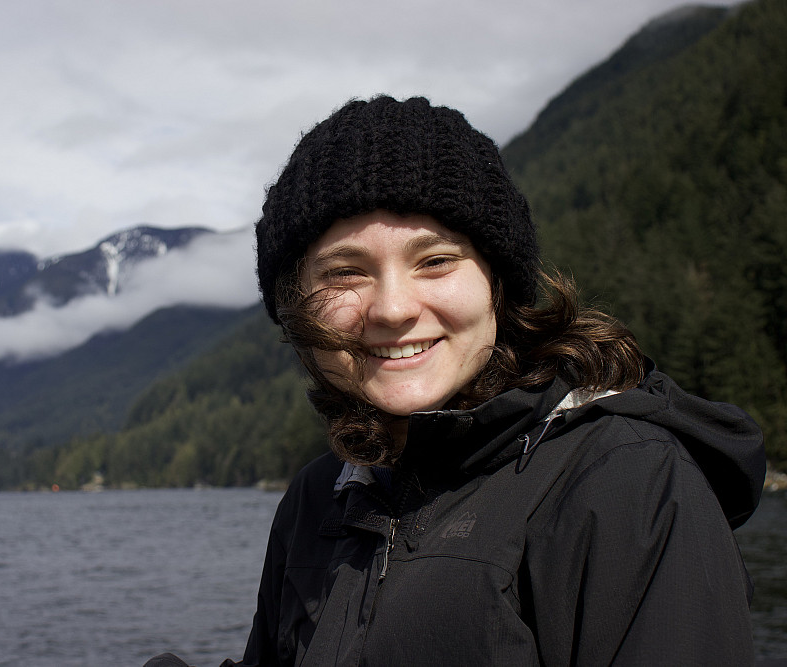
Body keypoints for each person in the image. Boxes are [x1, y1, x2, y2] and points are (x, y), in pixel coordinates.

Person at [147, 95, 766, 666]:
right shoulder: (319, 497)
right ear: (296, 306)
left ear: (498, 284)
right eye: (345, 273)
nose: (393, 308)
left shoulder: (628, 480)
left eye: (436, 261)